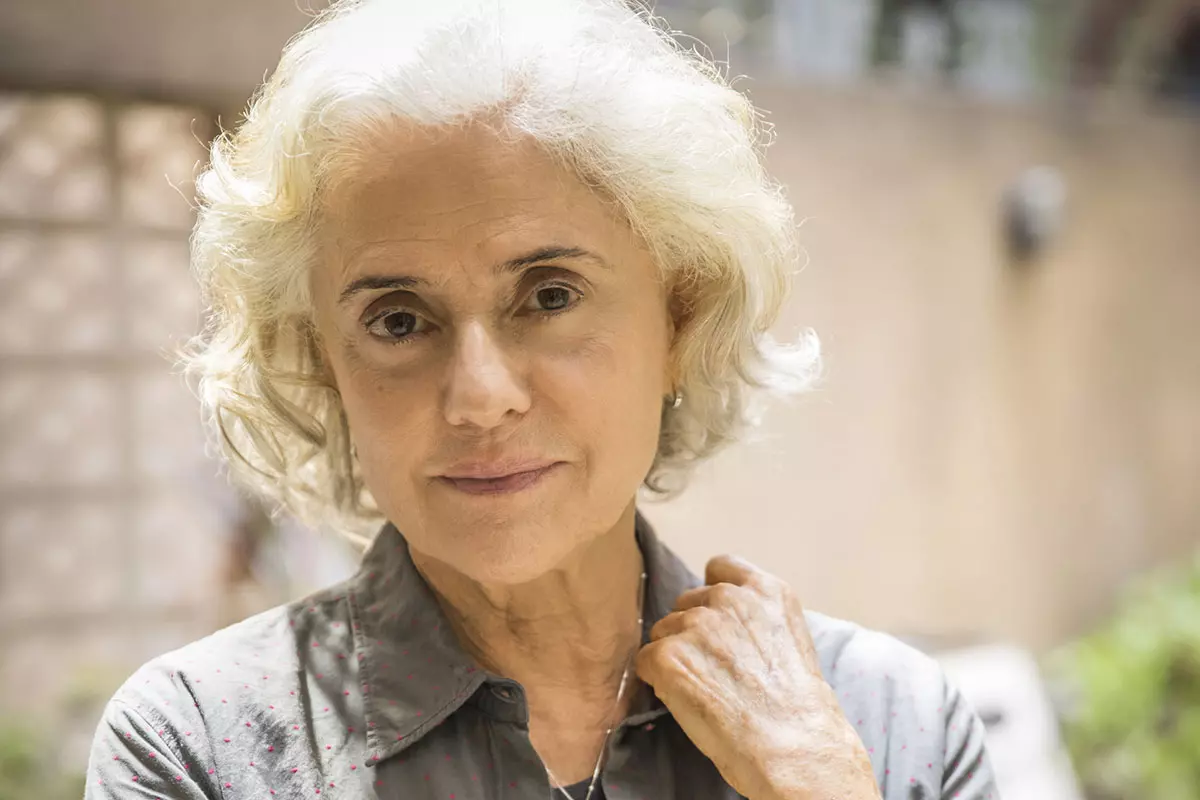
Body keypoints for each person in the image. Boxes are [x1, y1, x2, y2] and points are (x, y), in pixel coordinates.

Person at [84, 1, 999, 798]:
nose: (480, 398)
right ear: (324, 364)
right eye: (398, 321)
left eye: (551, 296)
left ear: (680, 321)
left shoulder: (889, 722)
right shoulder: (202, 748)